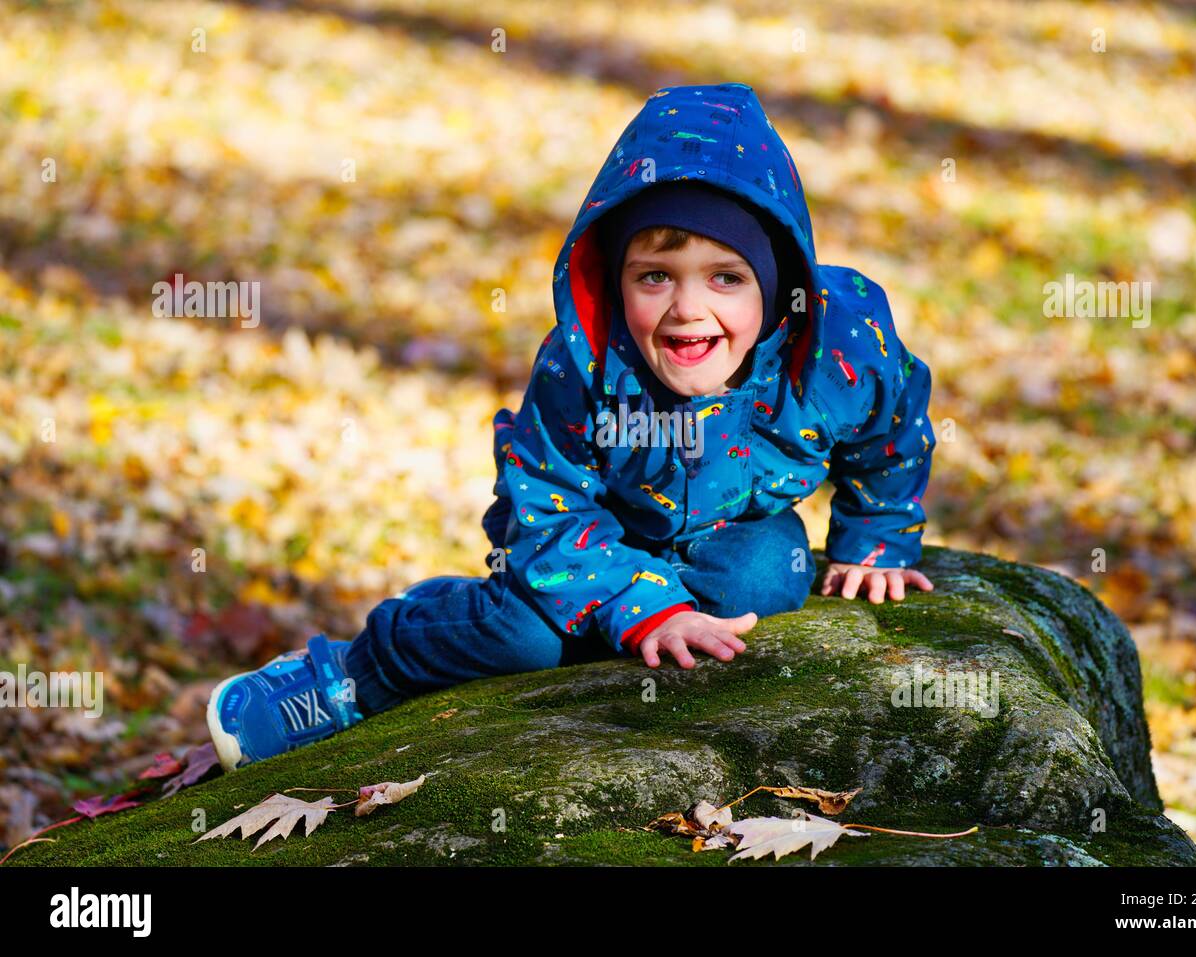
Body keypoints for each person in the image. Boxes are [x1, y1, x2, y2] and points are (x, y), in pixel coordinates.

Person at [206, 82, 936, 773]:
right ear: (615, 278)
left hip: (724, 533)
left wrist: (876, 537)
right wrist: (643, 606)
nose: (687, 308)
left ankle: (649, 604)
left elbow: (893, 427)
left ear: (776, 288)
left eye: (726, 277)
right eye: (654, 275)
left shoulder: (839, 346)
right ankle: (357, 672)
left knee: (767, 578)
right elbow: (546, 504)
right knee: (524, 632)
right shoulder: (585, 368)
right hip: (585, 533)